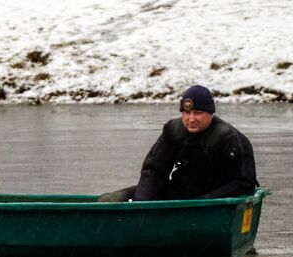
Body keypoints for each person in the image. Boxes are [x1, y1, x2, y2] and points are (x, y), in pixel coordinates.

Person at [99, 85, 258, 202]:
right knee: (112, 200)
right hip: (180, 192)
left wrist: (205, 201)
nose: (191, 119)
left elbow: (244, 183)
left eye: (198, 113)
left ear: (210, 114)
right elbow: (154, 170)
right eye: (187, 113)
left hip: (213, 197)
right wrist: (142, 204)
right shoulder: (173, 130)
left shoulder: (228, 138)